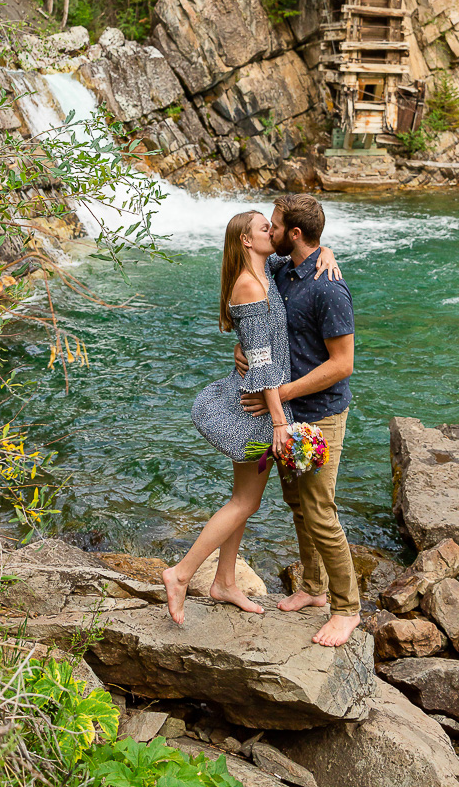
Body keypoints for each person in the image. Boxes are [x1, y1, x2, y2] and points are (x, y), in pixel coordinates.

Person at [162, 209, 339, 626]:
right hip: (258, 408)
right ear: (246, 240)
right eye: (264, 228)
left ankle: (224, 581)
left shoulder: (268, 269)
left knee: (244, 499)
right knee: (246, 501)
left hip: (261, 401)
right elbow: (260, 364)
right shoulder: (248, 285)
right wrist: (280, 422)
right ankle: (182, 573)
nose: (272, 232)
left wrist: (326, 250)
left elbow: (299, 253)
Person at [237, 194, 361, 648]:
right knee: (297, 504)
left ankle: (347, 610)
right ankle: (313, 588)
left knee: (321, 511)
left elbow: (342, 363)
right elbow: (253, 307)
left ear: (293, 233)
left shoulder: (329, 287)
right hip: (286, 416)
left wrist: (280, 394)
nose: (267, 232)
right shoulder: (282, 270)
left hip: (320, 414)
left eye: (273, 226)